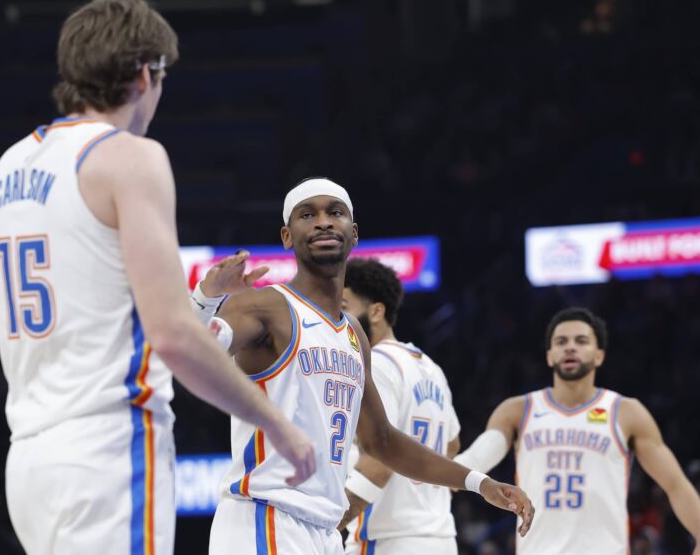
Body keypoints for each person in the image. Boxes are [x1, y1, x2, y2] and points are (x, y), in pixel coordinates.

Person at [0, 0, 315, 555]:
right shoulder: (131, 157)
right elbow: (171, 337)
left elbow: (100, 304)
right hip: (108, 449)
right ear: (145, 74)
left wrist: (206, 296)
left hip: (31, 459)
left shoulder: (7, 168)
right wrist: (278, 424)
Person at [194, 177, 534, 555]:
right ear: (287, 237)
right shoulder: (264, 306)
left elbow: (382, 441)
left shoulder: (353, 333)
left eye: (334, 212)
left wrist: (478, 483)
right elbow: (192, 352)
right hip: (265, 517)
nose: (323, 222)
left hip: (325, 530)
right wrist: (205, 299)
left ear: (353, 233)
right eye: (308, 214)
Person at [454, 307, 700, 555]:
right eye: (561, 342)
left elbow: (674, 483)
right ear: (549, 355)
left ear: (599, 354)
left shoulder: (626, 412)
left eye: (581, 341)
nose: (570, 346)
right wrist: (455, 468)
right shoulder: (517, 410)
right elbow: (482, 453)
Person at [337, 258, 462, 555]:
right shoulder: (430, 367)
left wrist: (328, 524)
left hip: (389, 539)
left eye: (343, 308)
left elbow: (380, 461)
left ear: (376, 312)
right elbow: (452, 444)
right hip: (439, 538)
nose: (334, 319)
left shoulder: (375, 365)